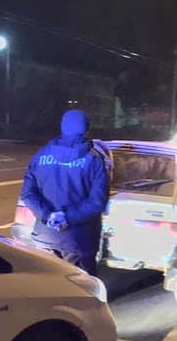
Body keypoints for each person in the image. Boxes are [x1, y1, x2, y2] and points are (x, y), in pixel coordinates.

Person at [20, 109, 110, 275]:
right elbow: (97, 203)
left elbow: (27, 194)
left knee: (48, 286)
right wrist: (66, 217)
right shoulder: (94, 160)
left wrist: (48, 215)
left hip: (45, 236)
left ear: (62, 127)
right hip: (78, 241)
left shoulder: (41, 155)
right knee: (81, 288)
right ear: (86, 130)